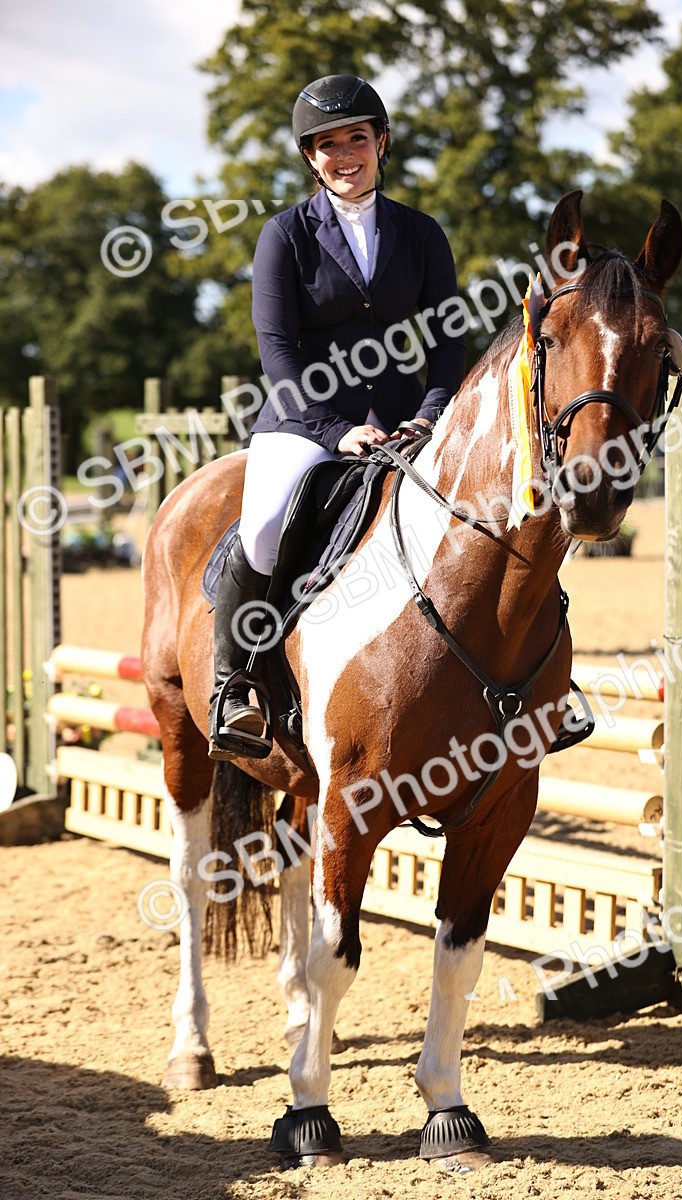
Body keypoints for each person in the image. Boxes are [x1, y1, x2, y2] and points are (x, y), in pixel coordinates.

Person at [209, 74, 467, 758]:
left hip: (407, 415)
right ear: (310, 158)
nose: (343, 154)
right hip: (306, 417)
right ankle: (234, 685)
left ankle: (530, 684)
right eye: (326, 144)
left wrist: (433, 413)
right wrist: (333, 430)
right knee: (264, 530)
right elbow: (277, 349)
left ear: (382, 143)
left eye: (357, 137)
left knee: (490, 510)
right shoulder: (284, 235)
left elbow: (449, 340)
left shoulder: (420, 233)